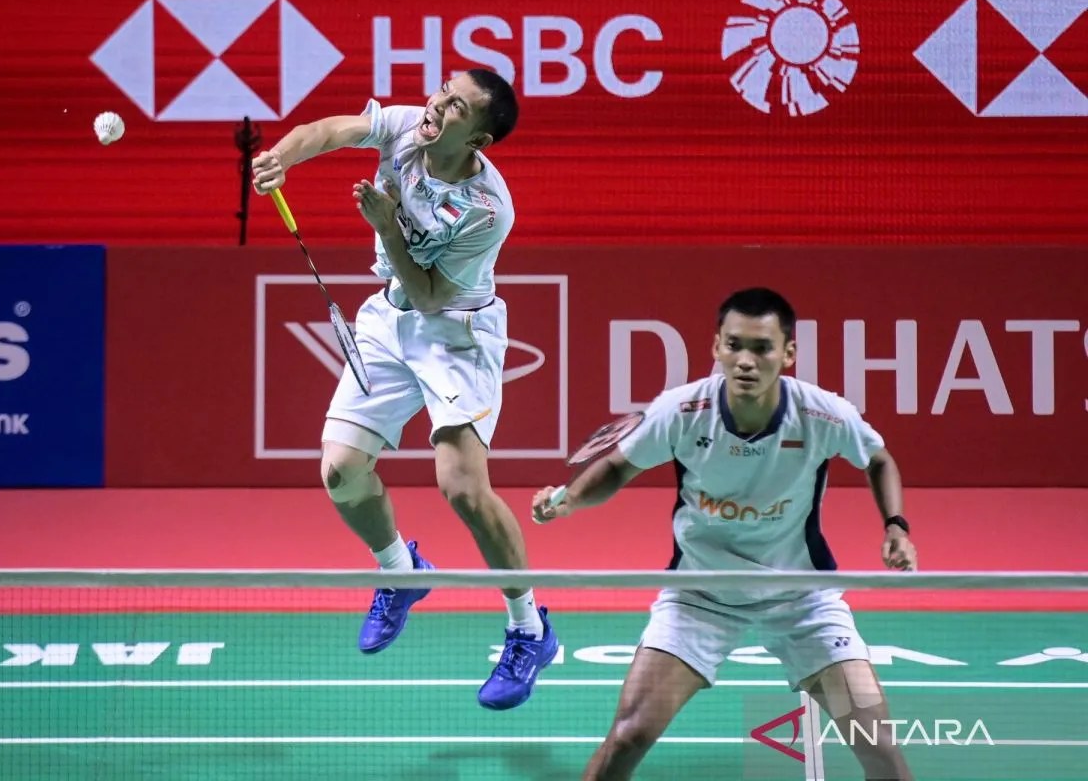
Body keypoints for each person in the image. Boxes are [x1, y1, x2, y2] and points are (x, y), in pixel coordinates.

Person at [251, 69, 558, 711]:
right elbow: (330, 130)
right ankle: (402, 572)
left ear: (479, 139)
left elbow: (433, 295)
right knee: (340, 472)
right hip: (390, 317)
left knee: (463, 488)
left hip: (457, 333)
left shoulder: (487, 210)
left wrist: (389, 228)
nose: (437, 104)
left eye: (457, 106)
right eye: (443, 90)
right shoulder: (406, 127)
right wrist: (281, 157)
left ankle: (529, 628)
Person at [532, 287, 918, 779]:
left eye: (762, 348)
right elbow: (617, 466)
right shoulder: (682, 410)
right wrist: (568, 500)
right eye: (734, 345)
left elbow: (878, 459)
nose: (746, 361)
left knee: (878, 746)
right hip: (700, 595)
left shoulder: (822, 414)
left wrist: (895, 526)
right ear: (716, 346)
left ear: (788, 353)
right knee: (628, 736)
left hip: (801, 599)